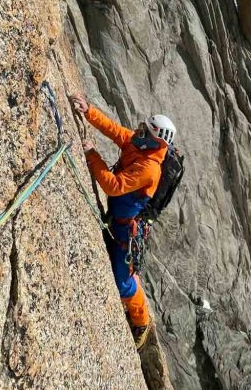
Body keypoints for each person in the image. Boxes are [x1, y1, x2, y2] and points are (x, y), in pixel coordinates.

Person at [70, 94, 176, 349]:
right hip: (119, 219)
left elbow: (113, 186)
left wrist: (91, 155)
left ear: (157, 140)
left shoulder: (150, 168)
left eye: (146, 132)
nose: (139, 132)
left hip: (126, 228)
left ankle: (141, 321)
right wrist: (89, 111)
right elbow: (116, 131)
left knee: (123, 282)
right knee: (122, 275)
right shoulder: (142, 145)